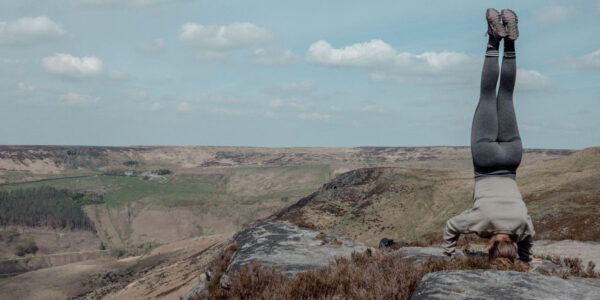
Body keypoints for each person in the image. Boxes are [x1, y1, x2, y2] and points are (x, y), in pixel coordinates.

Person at [441, 8, 541, 264]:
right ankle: (493, 39)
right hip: (485, 163)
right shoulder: (481, 221)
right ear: (489, 247)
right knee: (488, 95)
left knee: (506, 95)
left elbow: (529, 238)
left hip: (510, 159)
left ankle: (509, 41)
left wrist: (526, 261)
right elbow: (451, 226)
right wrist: (447, 257)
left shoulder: (522, 227)